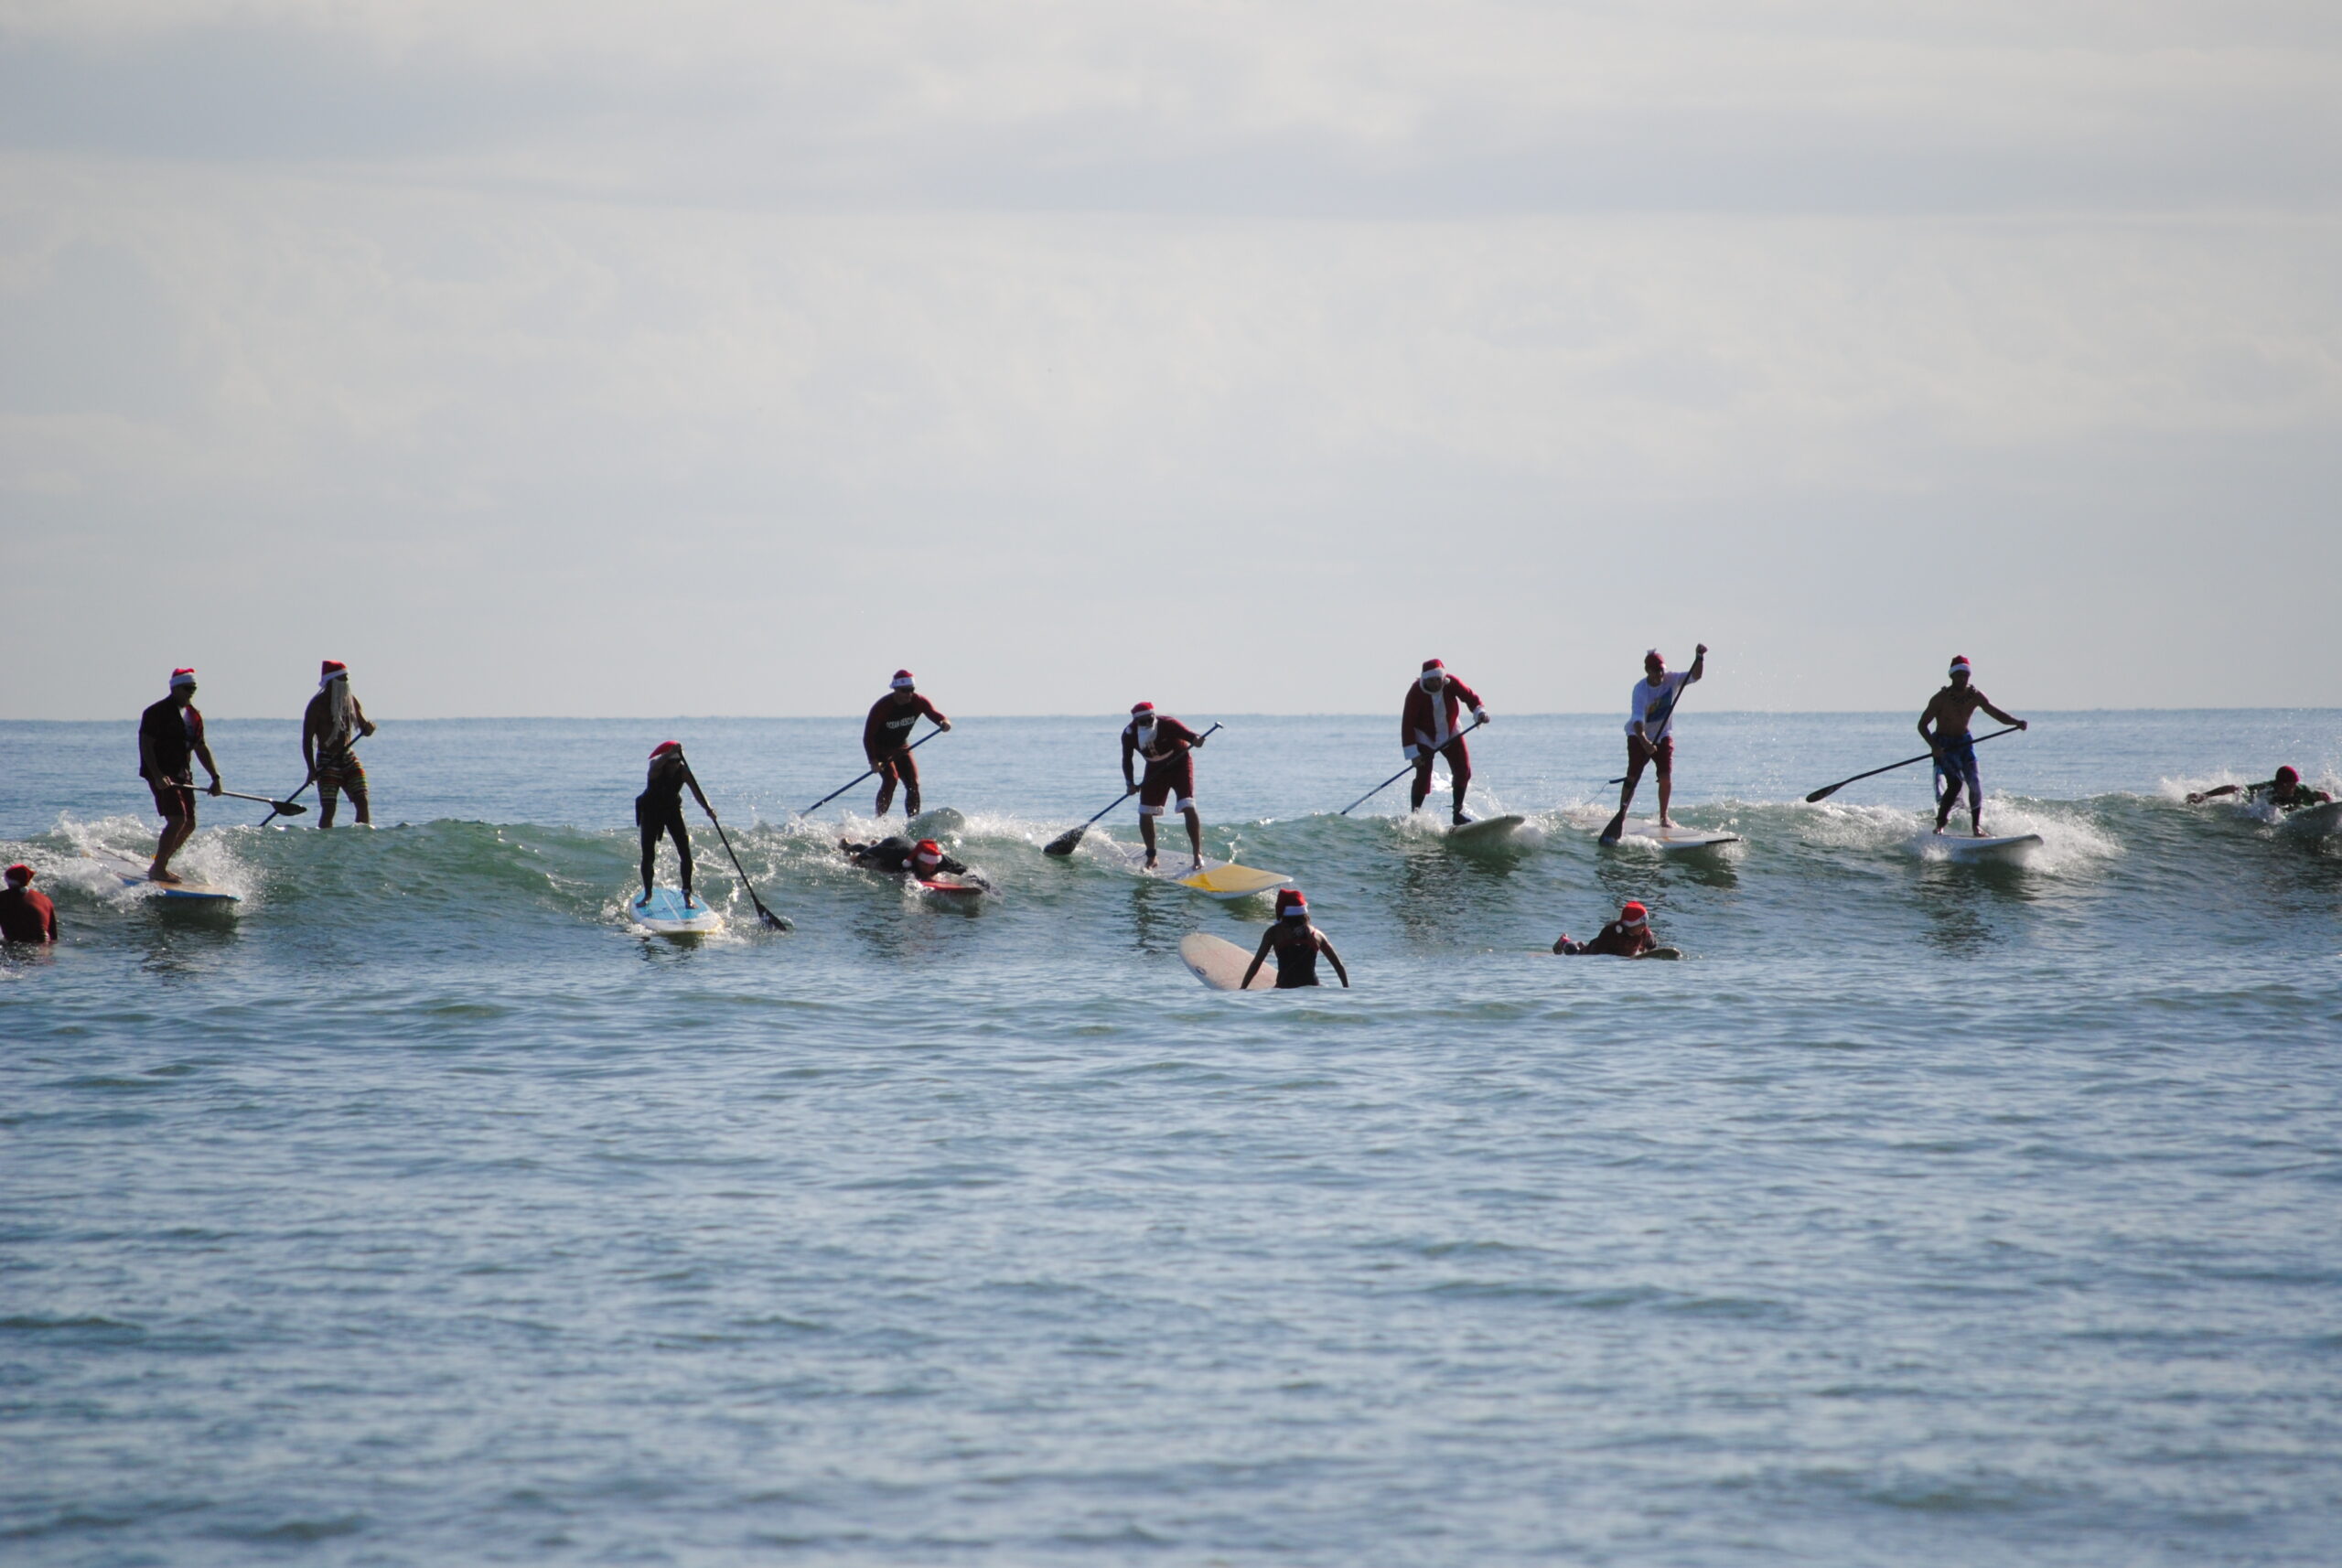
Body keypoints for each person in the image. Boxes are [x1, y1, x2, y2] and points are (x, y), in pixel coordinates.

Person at [1918, 655, 2028, 836]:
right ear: (1951, 676)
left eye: (1965, 676)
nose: (1962, 679)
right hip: (1944, 744)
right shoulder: (1940, 699)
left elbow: (1995, 713)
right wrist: (1934, 746)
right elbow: (1922, 725)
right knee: (1954, 784)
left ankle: (1976, 826)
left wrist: (2016, 722)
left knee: (1975, 783)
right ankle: (1940, 824)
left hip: (1964, 743)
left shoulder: (1975, 695)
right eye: (1959, 675)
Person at [136, 667, 223, 884]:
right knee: (177, 820)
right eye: (187, 688)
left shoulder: (194, 716)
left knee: (190, 824)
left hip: (182, 774)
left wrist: (215, 777)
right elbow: (146, 745)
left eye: (193, 689)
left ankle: (159, 862)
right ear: (175, 688)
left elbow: (201, 747)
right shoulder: (156, 712)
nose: (191, 692)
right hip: (161, 774)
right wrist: (157, 775)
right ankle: (159, 868)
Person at [1614, 644, 1706, 832]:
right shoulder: (1640, 690)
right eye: (1655, 672)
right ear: (1647, 671)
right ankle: (1621, 814)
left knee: (1665, 777)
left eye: (1661, 671)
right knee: (1633, 775)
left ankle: (1664, 817)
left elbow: (1695, 676)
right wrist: (1645, 742)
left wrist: (1699, 657)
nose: (1659, 675)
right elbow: (1638, 720)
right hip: (1638, 735)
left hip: (1663, 734)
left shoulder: (1672, 679)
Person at [1122, 702, 1209, 870]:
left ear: (1154, 716)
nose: (1148, 724)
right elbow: (1127, 760)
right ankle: (1152, 856)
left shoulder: (1168, 723)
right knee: (1145, 811)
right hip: (1155, 769)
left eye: (1150, 719)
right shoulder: (1129, 734)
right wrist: (1130, 783)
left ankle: (1197, 855)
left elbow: (1192, 737)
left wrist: (1197, 740)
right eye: (1143, 722)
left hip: (1180, 764)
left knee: (1187, 805)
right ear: (1136, 722)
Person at [1402, 659, 1490, 824]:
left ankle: (1457, 814)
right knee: (1423, 774)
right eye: (1431, 680)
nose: (1436, 683)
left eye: (1438, 679)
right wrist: (1413, 754)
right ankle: (1415, 815)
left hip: (1450, 731)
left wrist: (1480, 713)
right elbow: (1407, 724)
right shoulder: (1415, 692)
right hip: (1424, 736)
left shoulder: (1452, 683)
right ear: (1424, 680)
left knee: (1463, 770)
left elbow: (1471, 698)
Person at [636, 741, 715, 909]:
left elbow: (698, 794)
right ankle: (648, 894)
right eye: (671, 761)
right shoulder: (656, 767)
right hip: (650, 812)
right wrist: (667, 754)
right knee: (648, 855)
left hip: (672, 811)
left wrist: (708, 809)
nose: (675, 765)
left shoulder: (684, 772)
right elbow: (655, 766)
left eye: (678, 761)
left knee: (685, 852)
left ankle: (687, 895)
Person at [863, 670, 951, 818]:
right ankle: (879, 819)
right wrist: (873, 761)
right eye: (904, 691)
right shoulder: (882, 707)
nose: (908, 694)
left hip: (901, 747)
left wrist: (944, 722)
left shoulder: (919, 702)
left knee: (914, 784)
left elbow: (935, 715)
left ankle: (914, 820)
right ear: (895, 690)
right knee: (891, 779)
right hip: (881, 749)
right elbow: (868, 737)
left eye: (911, 690)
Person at [301, 660, 377, 828]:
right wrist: (311, 769)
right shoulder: (316, 706)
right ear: (333, 681)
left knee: (362, 800)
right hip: (327, 761)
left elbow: (364, 727)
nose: (347, 683)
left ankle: (361, 839)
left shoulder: (350, 700)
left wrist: (369, 727)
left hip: (348, 757)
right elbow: (306, 741)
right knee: (329, 809)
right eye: (343, 679)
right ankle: (326, 842)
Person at [1241, 888, 1350, 990]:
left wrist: (1243, 988)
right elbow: (1338, 965)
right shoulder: (1317, 935)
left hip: (1284, 989)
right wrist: (1346, 989)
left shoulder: (1274, 933)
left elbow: (1257, 963)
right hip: (1313, 990)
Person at [839, 835, 988, 886]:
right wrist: (857, 859)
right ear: (918, 860)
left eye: (932, 865)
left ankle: (873, 842)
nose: (930, 868)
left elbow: (965, 870)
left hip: (908, 847)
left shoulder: (941, 861)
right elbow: (872, 852)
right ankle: (846, 844)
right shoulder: (896, 854)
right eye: (926, 865)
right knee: (874, 857)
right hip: (892, 844)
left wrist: (985, 885)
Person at [2188, 766, 2333, 811]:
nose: (2293, 787)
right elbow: (2234, 788)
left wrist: (2329, 804)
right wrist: (2205, 795)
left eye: (2295, 783)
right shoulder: (2267, 788)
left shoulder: (2302, 790)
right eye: (2291, 784)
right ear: (2281, 784)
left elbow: (2324, 797)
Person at [1554, 899, 1660, 957]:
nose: (1645, 927)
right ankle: (1563, 941)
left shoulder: (1644, 932)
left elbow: (1651, 948)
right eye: (1640, 924)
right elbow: (1595, 956)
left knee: (1581, 945)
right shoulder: (1610, 931)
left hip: (1618, 956)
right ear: (1629, 925)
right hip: (1592, 952)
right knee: (1573, 951)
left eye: (1645, 923)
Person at [0, 864, 57, 945]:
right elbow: (53, 937)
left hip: (17, 946)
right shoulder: (45, 899)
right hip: (43, 948)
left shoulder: (2, 898)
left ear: (7, 880)